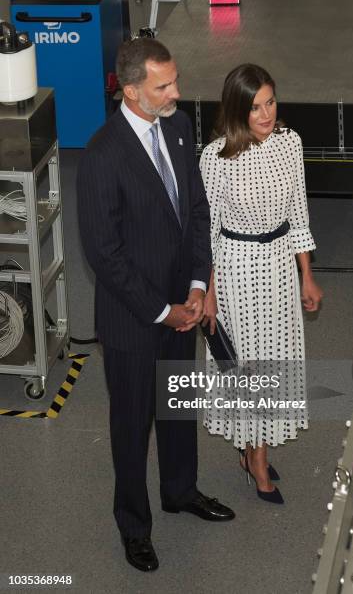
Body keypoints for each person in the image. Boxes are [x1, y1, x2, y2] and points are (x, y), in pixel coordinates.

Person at [76, 38, 234, 573]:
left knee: (178, 406)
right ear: (131, 88)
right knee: (131, 424)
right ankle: (134, 525)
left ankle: (180, 491)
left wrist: (196, 285)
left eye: (175, 81)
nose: (176, 92)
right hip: (134, 320)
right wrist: (162, 310)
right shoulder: (102, 155)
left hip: (182, 306)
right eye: (164, 86)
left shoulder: (180, 129)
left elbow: (195, 210)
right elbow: (105, 254)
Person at [200, 63, 323, 503]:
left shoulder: (291, 145)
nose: (266, 114)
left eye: (270, 102)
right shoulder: (215, 158)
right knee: (248, 367)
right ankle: (254, 457)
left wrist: (307, 274)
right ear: (237, 111)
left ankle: (254, 449)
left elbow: (299, 215)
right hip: (236, 270)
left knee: (274, 361)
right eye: (255, 107)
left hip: (279, 269)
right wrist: (208, 294)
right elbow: (209, 232)